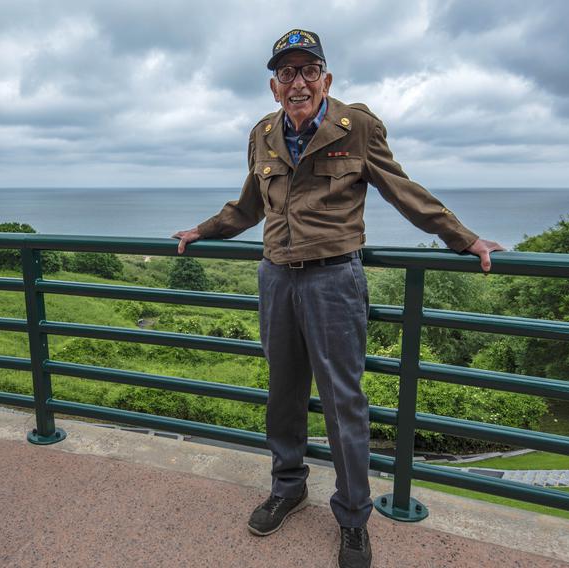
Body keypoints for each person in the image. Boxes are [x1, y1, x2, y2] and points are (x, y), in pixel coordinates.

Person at [173, 28, 504, 568]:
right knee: (283, 391)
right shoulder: (262, 133)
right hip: (276, 277)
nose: (297, 82)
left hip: (334, 280)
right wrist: (202, 231)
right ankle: (288, 486)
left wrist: (463, 238)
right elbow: (247, 206)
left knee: (342, 401)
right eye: (286, 73)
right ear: (274, 86)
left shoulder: (357, 127)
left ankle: (353, 517)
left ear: (325, 79)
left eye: (308, 71)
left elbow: (403, 190)